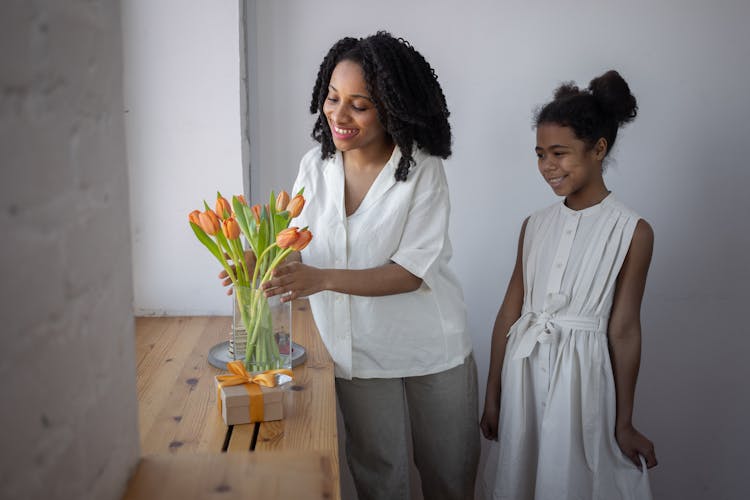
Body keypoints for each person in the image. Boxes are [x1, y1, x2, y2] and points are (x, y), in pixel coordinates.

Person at [244, 32, 479, 500]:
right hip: (358, 351)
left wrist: (321, 279)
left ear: (393, 107)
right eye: (333, 98)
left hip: (432, 349)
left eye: (359, 104)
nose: (338, 114)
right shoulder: (315, 167)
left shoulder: (423, 170)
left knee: (449, 479)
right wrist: (258, 261)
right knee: (379, 480)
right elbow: (297, 244)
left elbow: (409, 272)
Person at [481, 70, 657, 500]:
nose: (547, 166)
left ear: (598, 149)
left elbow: (624, 329)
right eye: (540, 154)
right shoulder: (534, 225)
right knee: (521, 474)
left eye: (559, 153)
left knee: (572, 479)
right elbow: (510, 313)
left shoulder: (631, 231)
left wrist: (624, 421)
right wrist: (493, 394)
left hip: (582, 384)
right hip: (524, 375)